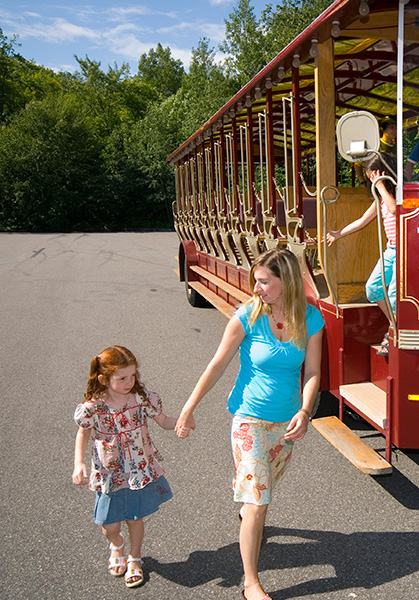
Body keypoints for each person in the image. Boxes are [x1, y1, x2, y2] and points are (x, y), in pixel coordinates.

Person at [175, 247, 324, 600]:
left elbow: (314, 371)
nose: (256, 288)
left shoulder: (311, 318)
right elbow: (217, 364)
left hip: (286, 423)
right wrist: (188, 408)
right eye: (255, 281)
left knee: (262, 495)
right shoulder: (247, 317)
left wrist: (304, 411)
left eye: (263, 281)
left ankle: (250, 520)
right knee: (258, 500)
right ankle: (251, 583)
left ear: (285, 282)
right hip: (249, 419)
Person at [72, 346, 177, 589]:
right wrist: (78, 462)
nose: (130, 382)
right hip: (109, 473)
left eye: (133, 375)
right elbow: (83, 433)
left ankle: (135, 557)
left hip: (138, 470)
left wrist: (181, 424)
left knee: (135, 517)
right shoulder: (93, 407)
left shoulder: (142, 399)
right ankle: (116, 544)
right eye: (122, 378)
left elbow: (164, 421)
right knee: (108, 524)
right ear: (103, 379)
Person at [327, 155, 396, 354]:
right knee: (373, 289)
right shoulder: (380, 199)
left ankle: (393, 333)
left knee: (393, 296)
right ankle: (394, 325)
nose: (371, 184)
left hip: (404, 252)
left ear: (384, 175)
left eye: (373, 178)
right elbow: (363, 220)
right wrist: (338, 234)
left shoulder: (399, 193)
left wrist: (382, 186)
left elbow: (394, 209)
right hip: (391, 250)